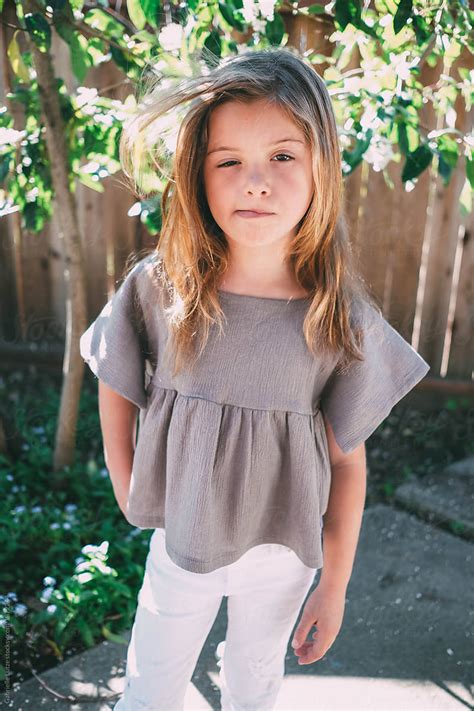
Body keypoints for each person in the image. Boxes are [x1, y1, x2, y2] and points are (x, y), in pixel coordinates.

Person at [79, 46, 430, 710]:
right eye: (229, 161)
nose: (255, 181)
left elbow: (347, 463)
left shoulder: (339, 316)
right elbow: (112, 371)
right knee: (150, 681)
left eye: (282, 157)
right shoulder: (163, 288)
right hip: (181, 541)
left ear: (320, 169)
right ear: (197, 175)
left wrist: (335, 583)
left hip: (283, 555)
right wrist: (128, 486)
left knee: (254, 681)